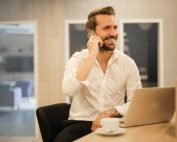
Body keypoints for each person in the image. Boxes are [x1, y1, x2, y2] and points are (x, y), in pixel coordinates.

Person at [54, 6, 142, 142]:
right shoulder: (78, 59)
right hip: (80, 124)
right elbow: (68, 90)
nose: (113, 33)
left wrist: (109, 113)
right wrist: (91, 55)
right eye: (107, 28)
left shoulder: (128, 64)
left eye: (115, 27)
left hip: (113, 124)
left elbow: (136, 103)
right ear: (91, 33)